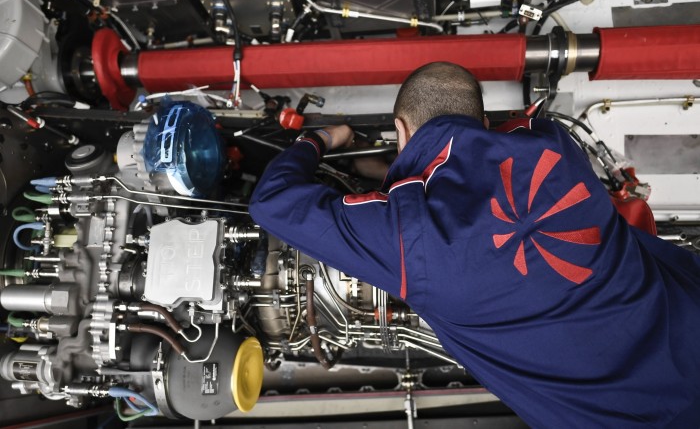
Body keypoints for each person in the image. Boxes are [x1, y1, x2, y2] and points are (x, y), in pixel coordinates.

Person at [249, 62, 700, 428]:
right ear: (484, 122)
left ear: (401, 130)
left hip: (644, 418)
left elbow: (271, 202)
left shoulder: (414, 239)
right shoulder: (554, 145)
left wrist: (322, 137)